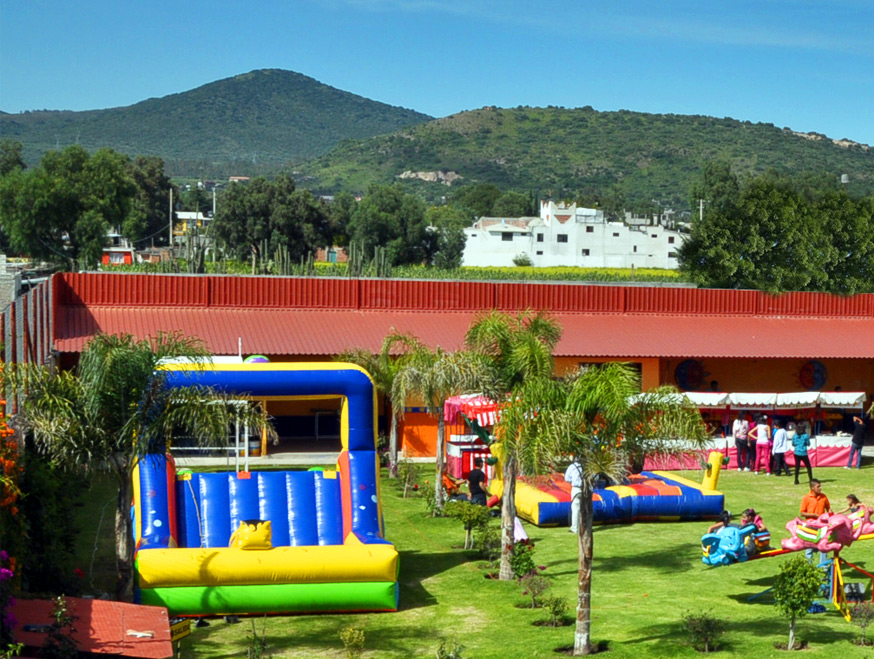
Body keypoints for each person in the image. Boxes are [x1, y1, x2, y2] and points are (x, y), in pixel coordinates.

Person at [800, 479, 832, 564]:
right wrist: (813, 515)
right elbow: (802, 513)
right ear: (812, 488)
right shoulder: (806, 498)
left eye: (820, 486)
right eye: (818, 486)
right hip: (810, 526)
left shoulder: (823, 497)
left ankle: (823, 566)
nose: (820, 488)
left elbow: (828, 508)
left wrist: (830, 514)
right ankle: (809, 566)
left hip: (822, 526)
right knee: (809, 548)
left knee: (823, 546)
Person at [564, 456, 583, 534]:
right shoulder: (587, 466)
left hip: (576, 489)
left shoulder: (572, 467)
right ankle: (586, 528)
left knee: (575, 509)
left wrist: (574, 479)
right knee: (586, 510)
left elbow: (567, 478)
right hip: (586, 489)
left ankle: (575, 528)